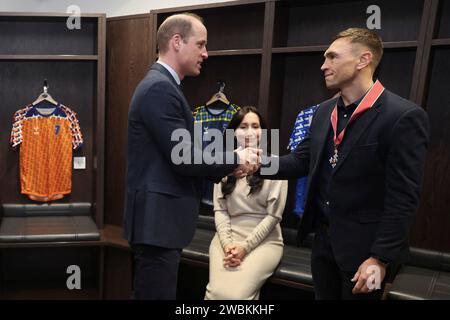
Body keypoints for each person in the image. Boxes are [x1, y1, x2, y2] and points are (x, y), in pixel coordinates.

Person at [258, 28, 429, 300]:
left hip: (366, 255)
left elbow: (404, 197)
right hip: (323, 244)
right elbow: (301, 160)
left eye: (332, 57)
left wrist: (380, 258)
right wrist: (254, 163)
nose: (324, 65)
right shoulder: (324, 111)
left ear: (363, 60)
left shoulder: (403, 117)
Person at [123, 13, 259, 300]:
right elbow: (184, 157)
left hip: (160, 222)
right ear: (176, 42)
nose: (205, 54)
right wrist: (235, 158)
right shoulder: (160, 88)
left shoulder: (165, 86)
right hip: (157, 223)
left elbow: (187, 154)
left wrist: (228, 165)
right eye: (201, 45)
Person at [204, 106, 288, 300]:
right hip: (227, 238)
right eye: (243, 126)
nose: (249, 132)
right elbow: (220, 210)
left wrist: (245, 248)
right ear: (234, 132)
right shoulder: (224, 161)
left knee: (238, 296)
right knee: (215, 293)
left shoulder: (274, 164)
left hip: (264, 241)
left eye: (255, 126)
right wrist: (227, 245)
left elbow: (274, 216)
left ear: (263, 132)